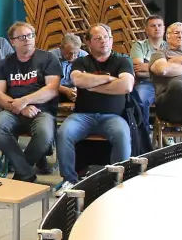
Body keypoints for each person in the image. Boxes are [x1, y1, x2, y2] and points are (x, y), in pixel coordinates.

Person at [56, 24, 134, 186]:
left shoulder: (122, 61)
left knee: (122, 135)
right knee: (64, 133)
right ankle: (69, 180)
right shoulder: (81, 62)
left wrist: (92, 84)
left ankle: (117, 180)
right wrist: (110, 78)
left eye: (106, 37)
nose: (103, 41)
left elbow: (126, 86)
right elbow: (78, 80)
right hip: (82, 116)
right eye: (98, 38)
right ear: (89, 42)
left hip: (113, 117)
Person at [0, 22, 61, 182]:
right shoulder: (4, 63)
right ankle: (26, 173)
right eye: (21, 37)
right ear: (12, 41)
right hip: (13, 110)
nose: (27, 40)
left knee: (44, 134)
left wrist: (25, 101)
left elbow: (52, 89)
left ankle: (22, 171)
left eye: (30, 36)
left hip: (42, 111)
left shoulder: (48, 58)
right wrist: (20, 107)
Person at [128, 15, 168, 107]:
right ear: (146, 30)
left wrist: (147, 66)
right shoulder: (139, 46)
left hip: (168, 84)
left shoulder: (170, 47)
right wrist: (162, 70)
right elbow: (138, 71)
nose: (157, 28)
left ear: (164, 29)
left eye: (159, 25)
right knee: (139, 97)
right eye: (153, 26)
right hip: (147, 83)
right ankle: (144, 122)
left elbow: (173, 70)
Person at [51, 32, 84, 102]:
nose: (73, 57)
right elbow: (48, 82)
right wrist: (66, 90)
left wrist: (76, 90)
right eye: (70, 53)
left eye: (76, 53)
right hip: (56, 89)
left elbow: (87, 79)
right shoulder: (51, 56)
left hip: (76, 90)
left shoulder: (84, 56)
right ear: (61, 48)